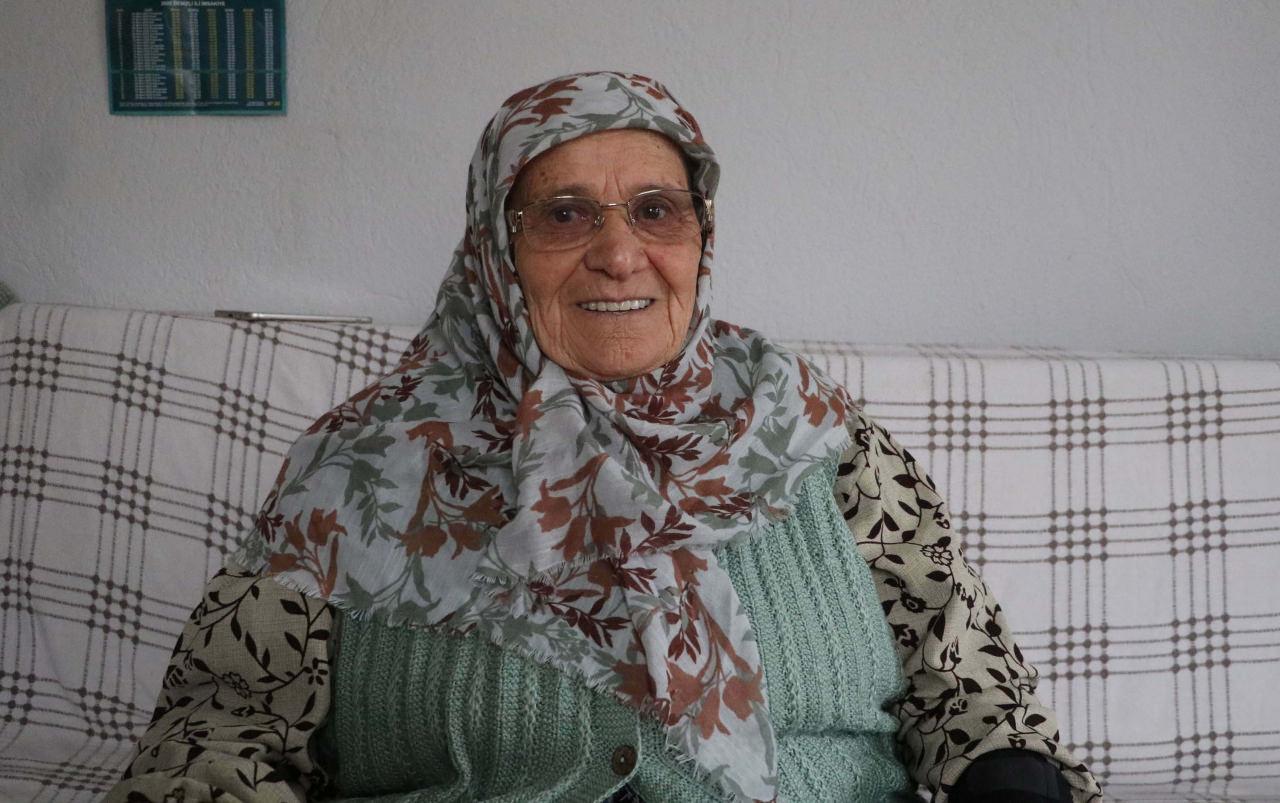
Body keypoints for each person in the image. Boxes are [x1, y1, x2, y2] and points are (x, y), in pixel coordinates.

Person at [106, 72, 1101, 803]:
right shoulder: (360, 465)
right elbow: (220, 723)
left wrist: (1010, 785)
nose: (619, 252)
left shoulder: (826, 442)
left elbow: (971, 688)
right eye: (565, 214)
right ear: (495, 248)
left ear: (700, 237)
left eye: (656, 210)